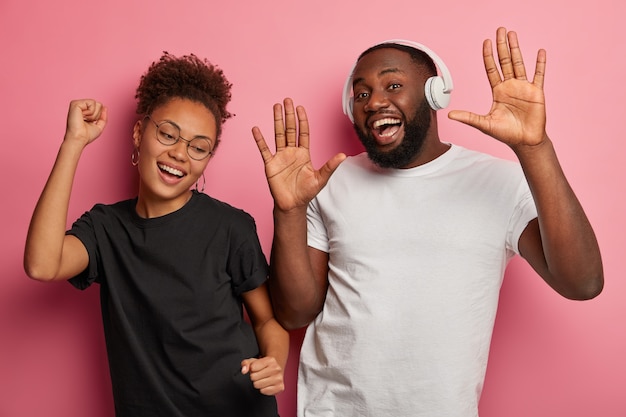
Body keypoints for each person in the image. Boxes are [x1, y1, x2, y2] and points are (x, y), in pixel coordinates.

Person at [251, 27, 603, 416]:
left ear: (435, 93)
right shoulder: (329, 184)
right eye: (362, 93)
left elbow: (582, 282)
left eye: (393, 85)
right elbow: (294, 313)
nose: (373, 102)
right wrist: (288, 211)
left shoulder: (498, 182)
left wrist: (535, 149)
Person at [24, 52, 288, 417]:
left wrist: (273, 362)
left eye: (198, 147)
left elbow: (267, 321)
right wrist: (73, 144)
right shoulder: (106, 229)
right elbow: (42, 264)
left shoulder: (231, 227)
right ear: (139, 132)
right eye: (168, 134)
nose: (180, 153)